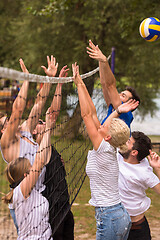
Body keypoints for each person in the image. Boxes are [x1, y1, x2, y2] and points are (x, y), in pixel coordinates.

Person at [72, 62, 139, 240]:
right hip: (119, 215)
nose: (102, 126)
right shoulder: (109, 144)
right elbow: (93, 114)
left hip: (109, 216)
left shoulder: (102, 147)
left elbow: (87, 116)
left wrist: (79, 85)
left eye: (105, 128)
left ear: (107, 137)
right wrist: (80, 83)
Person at [2, 107, 56, 239]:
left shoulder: (33, 192)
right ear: (26, 175)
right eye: (29, 168)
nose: (32, 167)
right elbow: (39, 161)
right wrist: (48, 128)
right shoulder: (21, 192)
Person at [86, 40, 140, 128]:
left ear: (130, 104)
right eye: (121, 93)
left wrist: (104, 61)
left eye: (123, 95)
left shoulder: (125, 114)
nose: (118, 94)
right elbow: (104, 84)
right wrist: (101, 61)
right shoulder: (113, 109)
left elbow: (110, 86)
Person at [118, 131, 160, 240]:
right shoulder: (118, 155)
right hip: (117, 226)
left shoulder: (144, 172)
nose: (124, 142)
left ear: (134, 152)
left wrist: (157, 168)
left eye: (128, 141)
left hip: (137, 228)